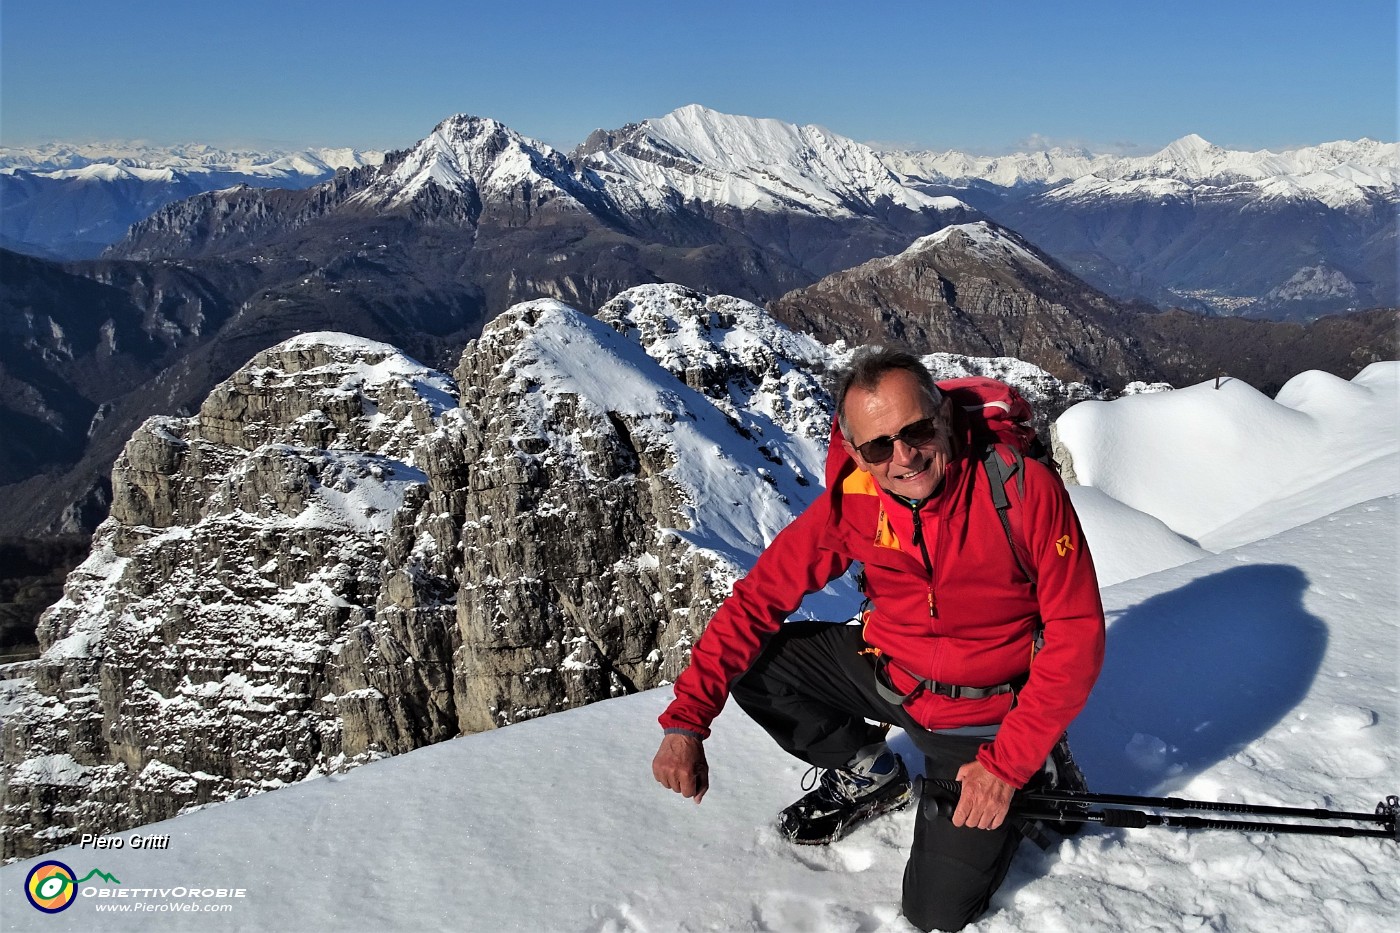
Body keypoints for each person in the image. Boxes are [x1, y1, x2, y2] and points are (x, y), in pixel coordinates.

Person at [651, 345, 1106, 931]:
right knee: (760, 662)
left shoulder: (1022, 492)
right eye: (878, 446)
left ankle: (1038, 764)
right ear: (859, 456)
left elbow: (1077, 636)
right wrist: (687, 720)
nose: (904, 456)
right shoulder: (856, 504)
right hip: (890, 675)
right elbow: (756, 602)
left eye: (917, 429)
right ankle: (871, 773)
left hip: (983, 713)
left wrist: (1006, 766)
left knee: (935, 912)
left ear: (942, 417)